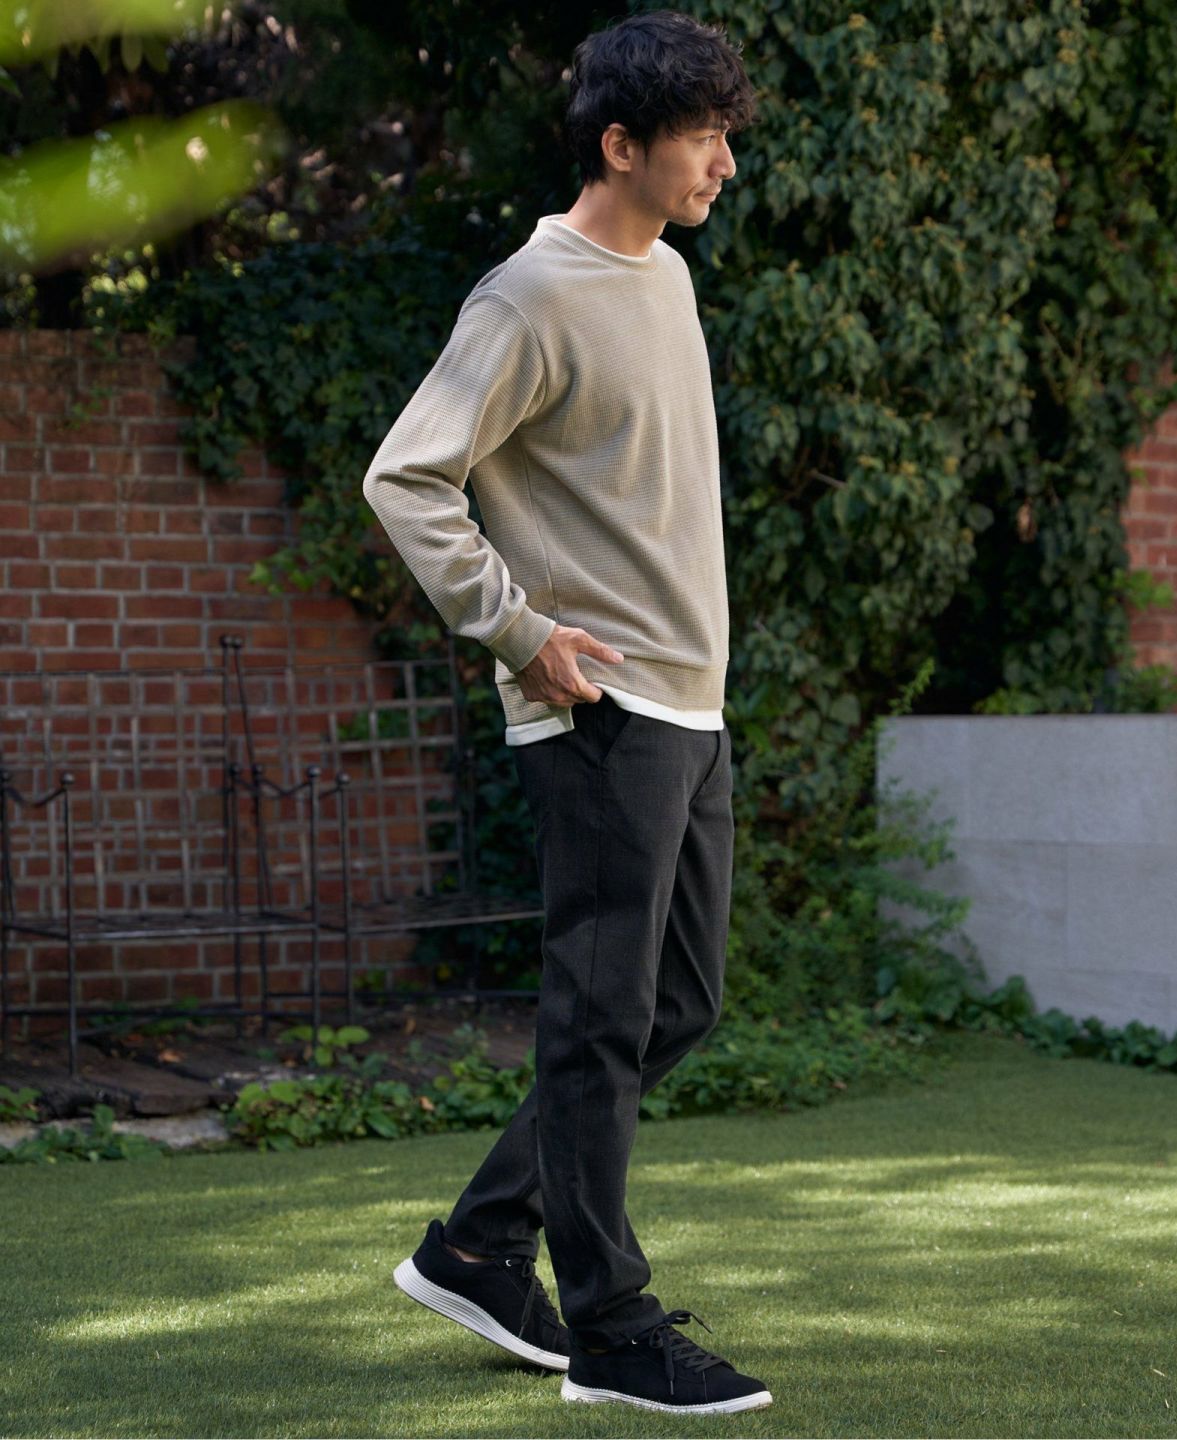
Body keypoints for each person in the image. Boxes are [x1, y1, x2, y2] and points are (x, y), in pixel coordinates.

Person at [363, 8, 770, 1417]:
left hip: (690, 706)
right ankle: (611, 1326)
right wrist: (520, 632)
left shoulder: (668, 277)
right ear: (620, 144)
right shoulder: (527, 298)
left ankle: (481, 1244)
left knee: (678, 1002)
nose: (725, 161)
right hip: (599, 711)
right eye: (704, 137)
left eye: (726, 135)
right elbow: (406, 478)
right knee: (598, 1019)